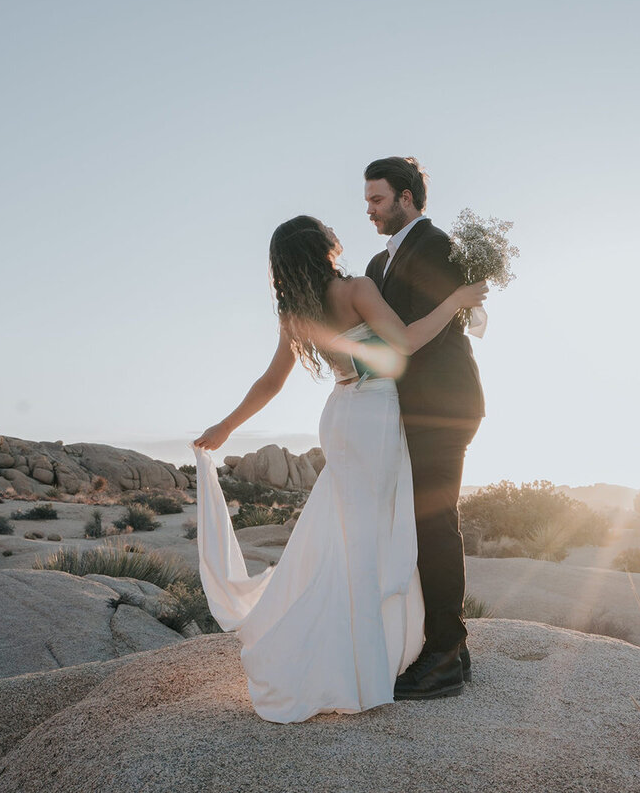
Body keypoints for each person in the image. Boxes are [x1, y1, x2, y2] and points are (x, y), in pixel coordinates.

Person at [192, 215, 487, 723]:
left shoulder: (297, 312)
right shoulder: (356, 288)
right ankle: (376, 655)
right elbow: (408, 341)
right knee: (378, 531)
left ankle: (355, 646)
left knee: (346, 532)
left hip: (339, 415)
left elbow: (270, 383)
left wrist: (224, 427)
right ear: (326, 245)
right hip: (376, 413)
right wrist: (456, 301)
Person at [363, 157, 485, 699]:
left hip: (442, 406)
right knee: (418, 528)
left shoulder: (436, 246)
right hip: (406, 409)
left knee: (434, 525)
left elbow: (418, 334)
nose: (370, 210)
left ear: (407, 198)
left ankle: (443, 660)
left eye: (377, 200)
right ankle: (448, 648)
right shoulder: (378, 262)